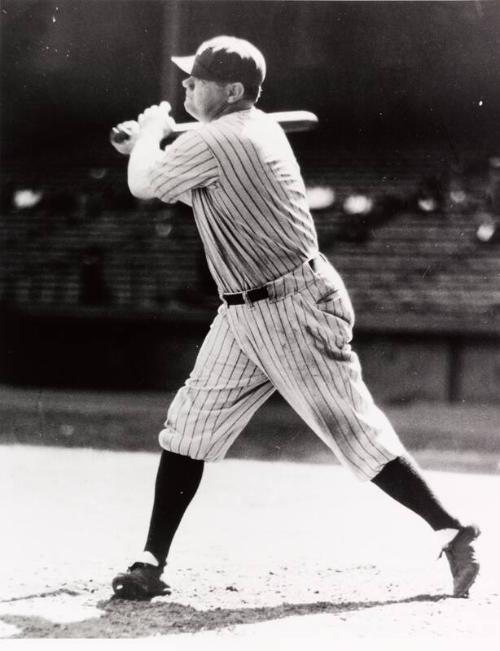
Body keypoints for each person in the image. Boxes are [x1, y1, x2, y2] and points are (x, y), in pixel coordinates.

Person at [110, 35, 480, 601]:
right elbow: (185, 190)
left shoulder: (226, 135)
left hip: (293, 305)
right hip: (242, 311)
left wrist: (151, 137)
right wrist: (148, 146)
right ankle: (150, 561)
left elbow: (144, 184)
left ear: (232, 90)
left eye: (197, 78)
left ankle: (453, 529)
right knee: (188, 429)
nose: (186, 85)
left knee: (353, 433)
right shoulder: (242, 132)